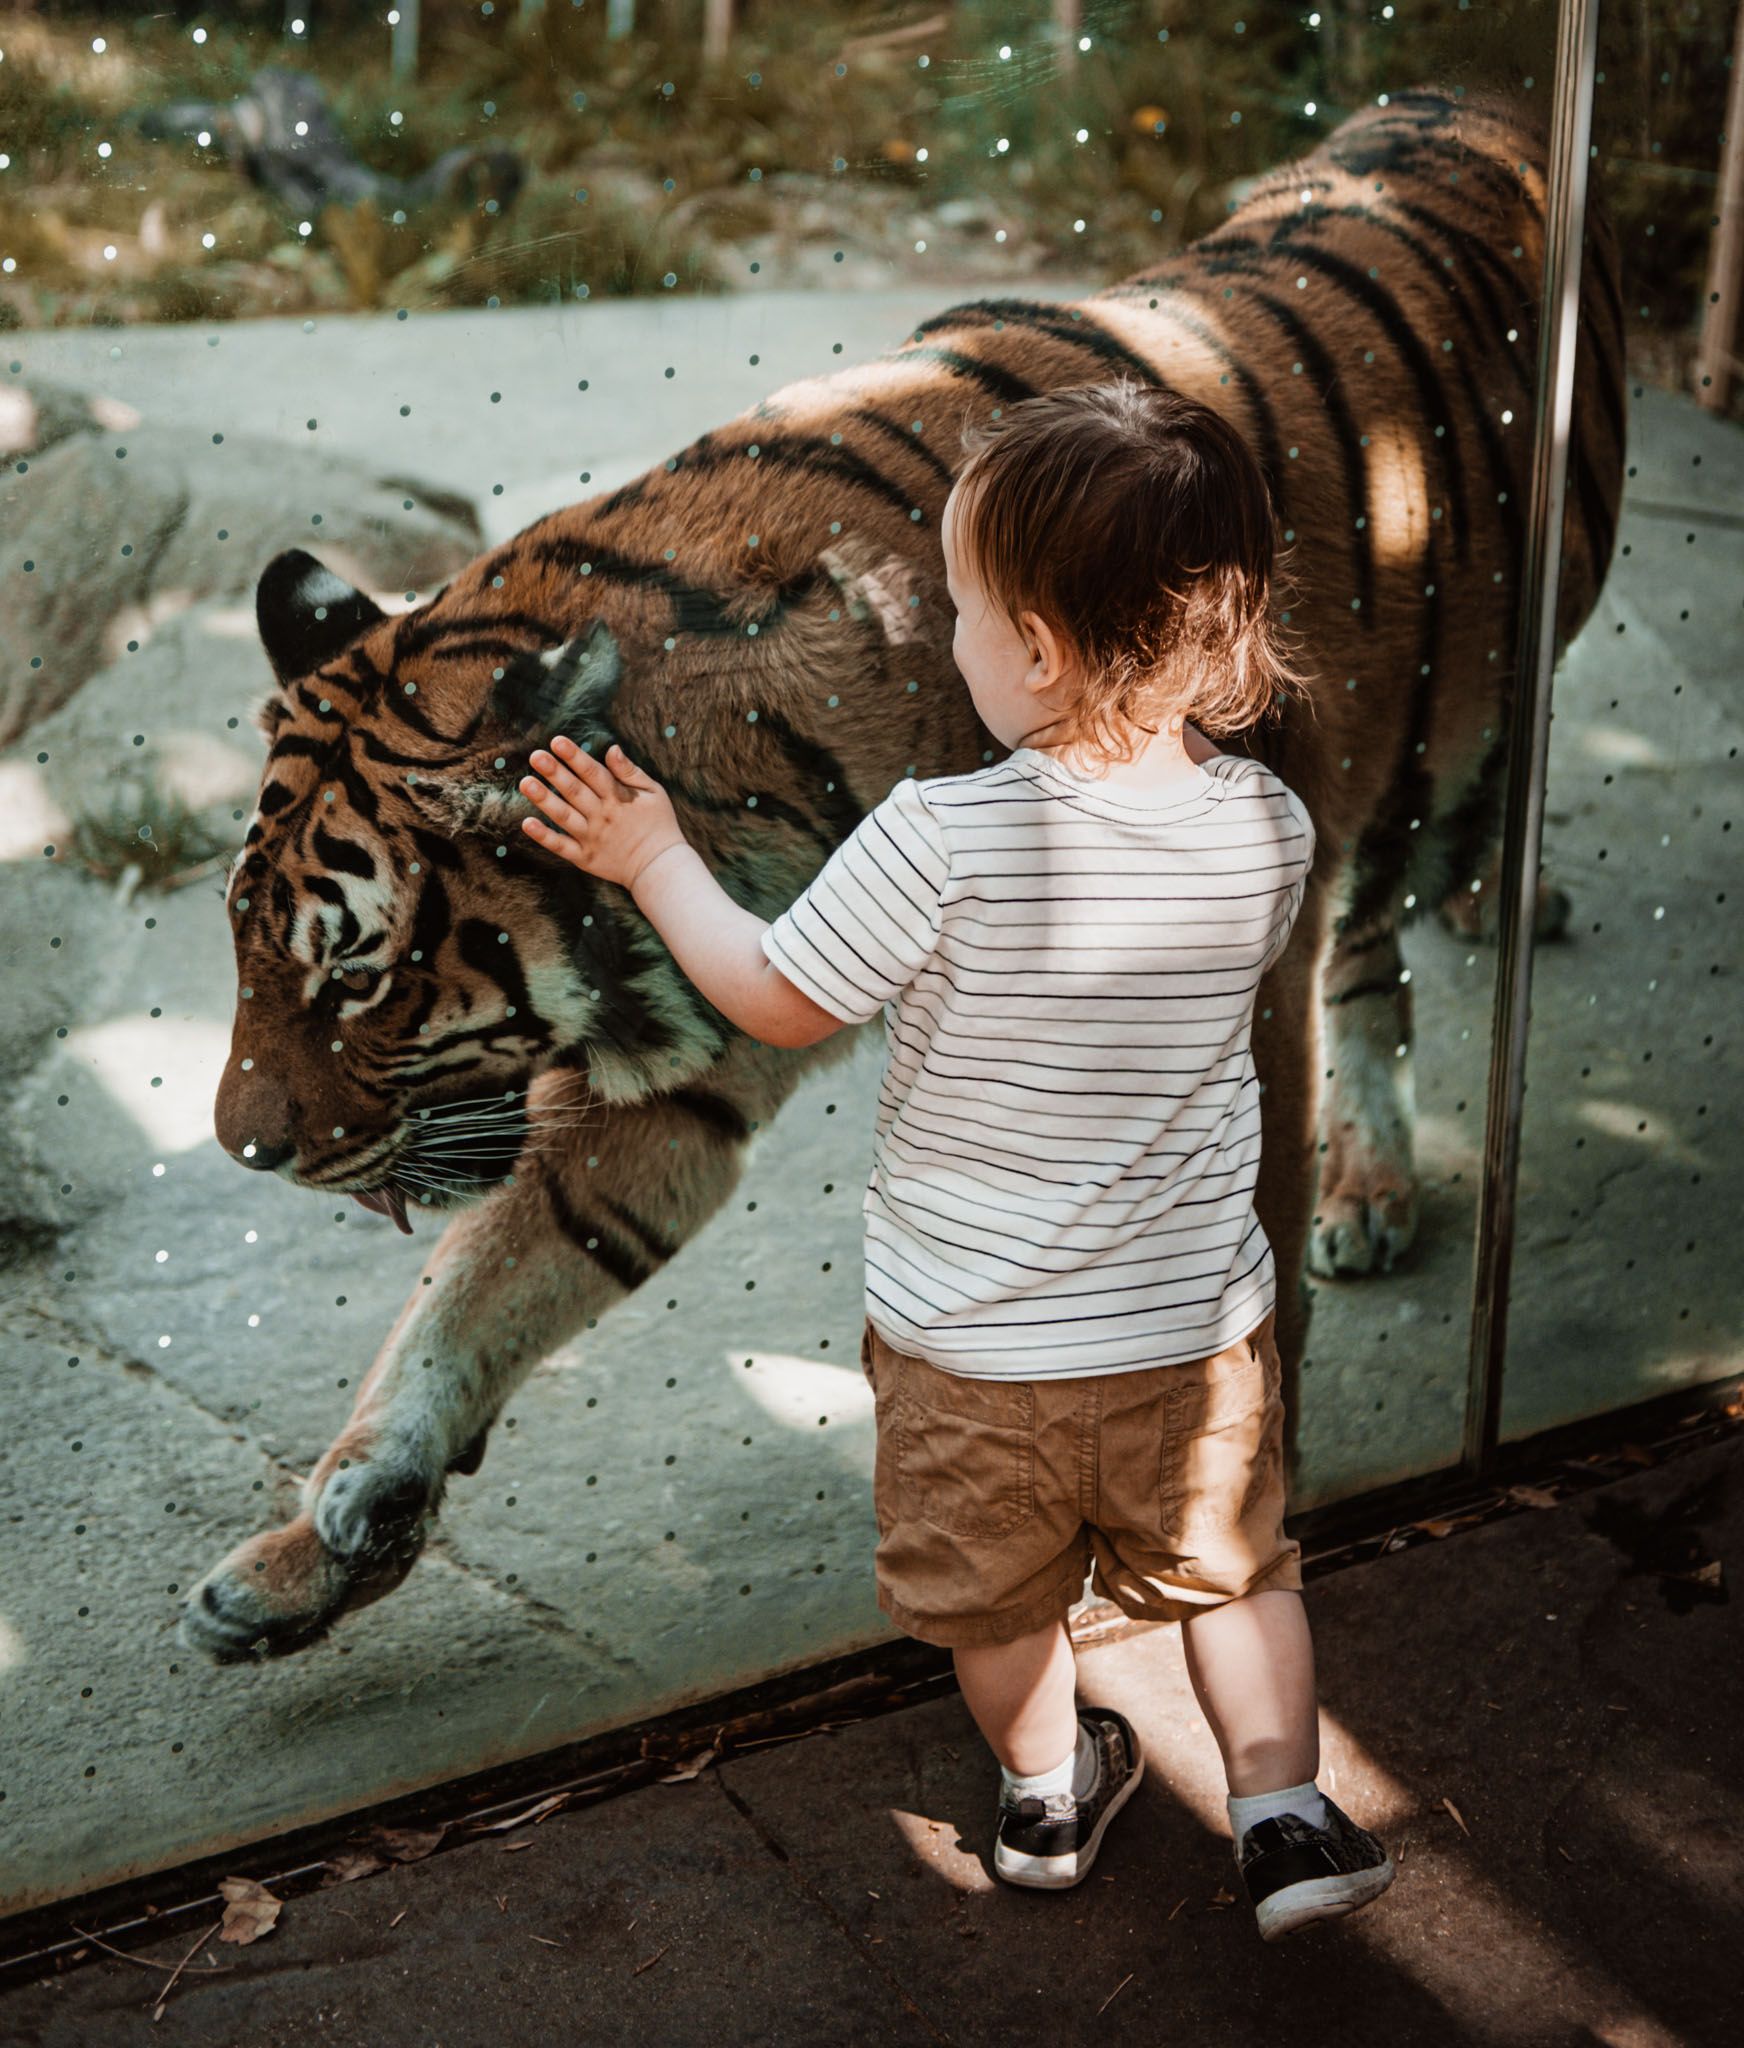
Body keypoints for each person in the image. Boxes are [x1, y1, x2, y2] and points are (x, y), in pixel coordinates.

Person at [517, 376, 1396, 1942]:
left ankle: (1049, 1794)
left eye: (969, 613)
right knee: (1241, 1578)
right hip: (1193, 1342)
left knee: (996, 1605)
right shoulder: (1266, 826)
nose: (951, 643)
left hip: (973, 1349)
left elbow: (779, 1001)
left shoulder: (942, 837)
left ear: (1042, 652)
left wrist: (654, 856)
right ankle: (1283, 1814)